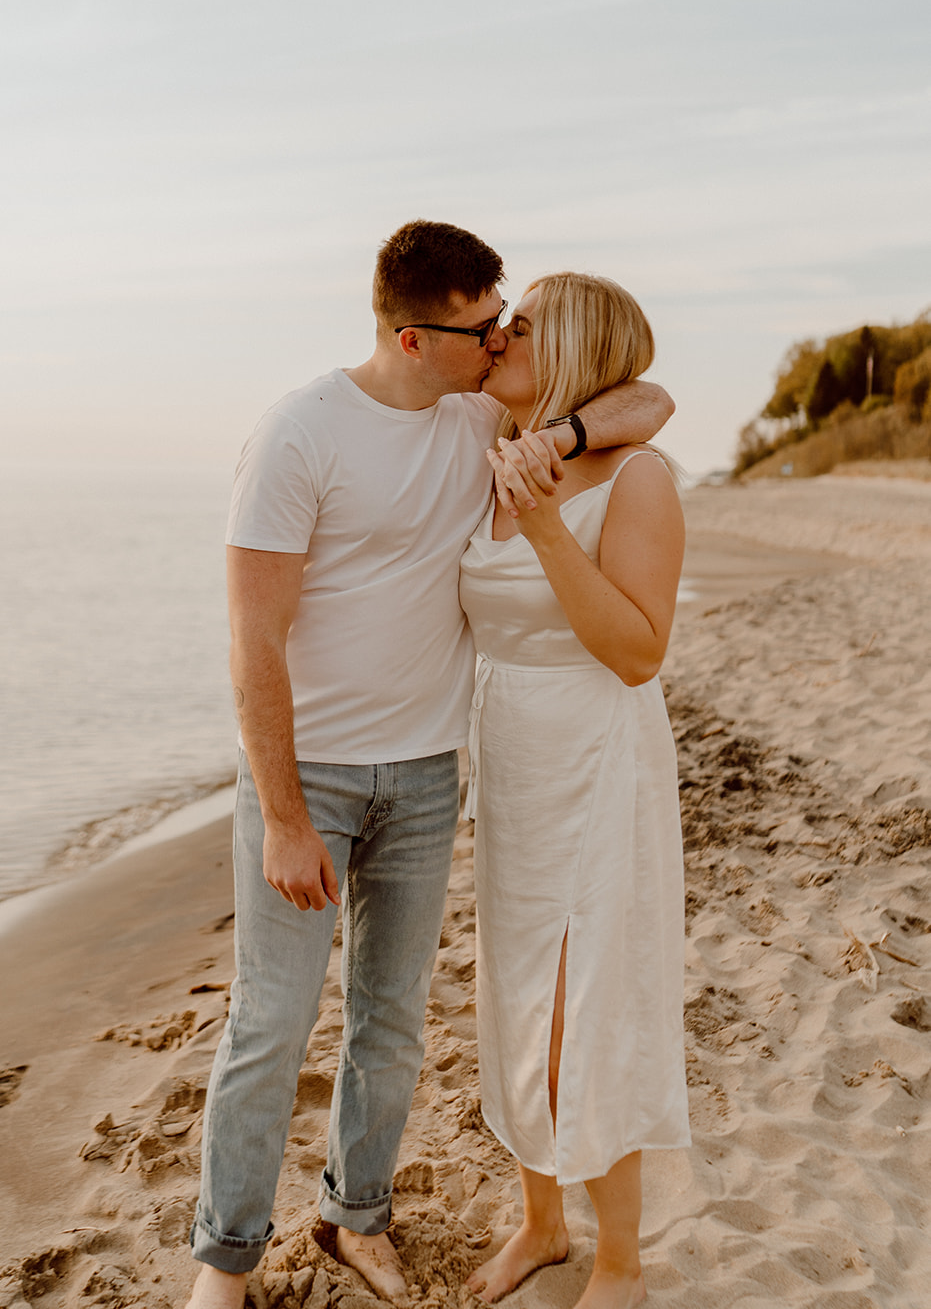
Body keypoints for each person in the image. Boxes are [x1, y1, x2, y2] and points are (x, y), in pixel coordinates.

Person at [187, 223, 674, 1309]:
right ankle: (223, 1264)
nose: (500, 337)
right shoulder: (309, 434)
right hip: (361, 769)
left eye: (515, 323)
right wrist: (278, 812)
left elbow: (646, 405)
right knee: (281, 1020)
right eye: (485, 325)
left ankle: (393, 1223)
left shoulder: (496, 430)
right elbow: (250, 638)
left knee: (443, 1012)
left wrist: (569, 442)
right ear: (417, 339)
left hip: (465, 770)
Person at [458, 273, 690, 1309]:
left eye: (523, 322)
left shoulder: (635, 479)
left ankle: (620, 1262)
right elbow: (645, 388)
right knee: (516, 990)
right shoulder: (491, 440)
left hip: (599, 752)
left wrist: (548, 524)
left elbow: (639, 652)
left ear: (577, 345)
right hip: (507, 756)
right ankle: (542, 1225)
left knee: (588, 999)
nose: (498, 333)